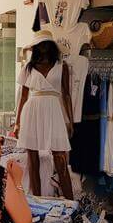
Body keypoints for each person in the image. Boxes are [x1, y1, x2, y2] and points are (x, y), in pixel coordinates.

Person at [14, 31, 75, 199]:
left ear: (51, 46)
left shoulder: (62, 66)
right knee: (33, 160)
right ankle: (37, 200)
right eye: (40, 44)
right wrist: (17, 122)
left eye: (46, 43)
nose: (43, 47)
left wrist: (69, 121)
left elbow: (67, 94)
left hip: (54, 110)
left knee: (60, 157)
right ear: (35, 47)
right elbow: (23, 96)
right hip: (32, 110)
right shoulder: (28, 68)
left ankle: (70, 202)